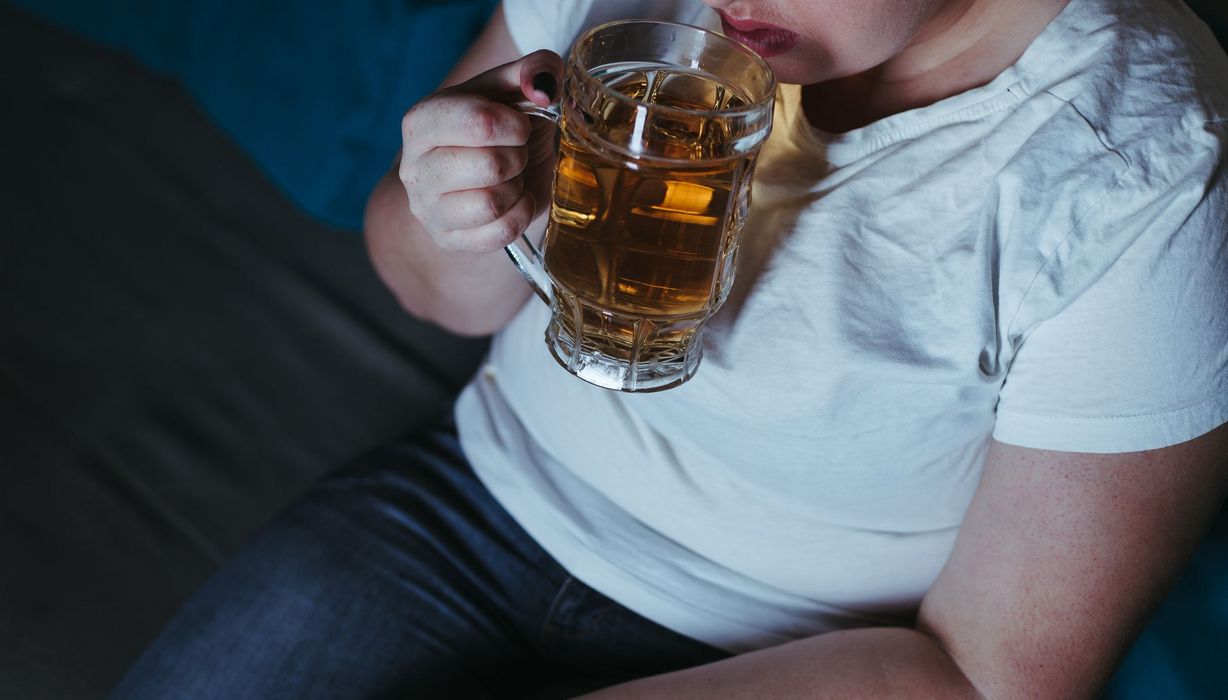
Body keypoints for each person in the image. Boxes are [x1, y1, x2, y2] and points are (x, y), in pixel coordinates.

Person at [112, 0, 1228, 697]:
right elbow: (433, 292)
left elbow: (991, 677)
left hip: (802, 648)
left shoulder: (1143, 163)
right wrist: (455, 192)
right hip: (469, 506)